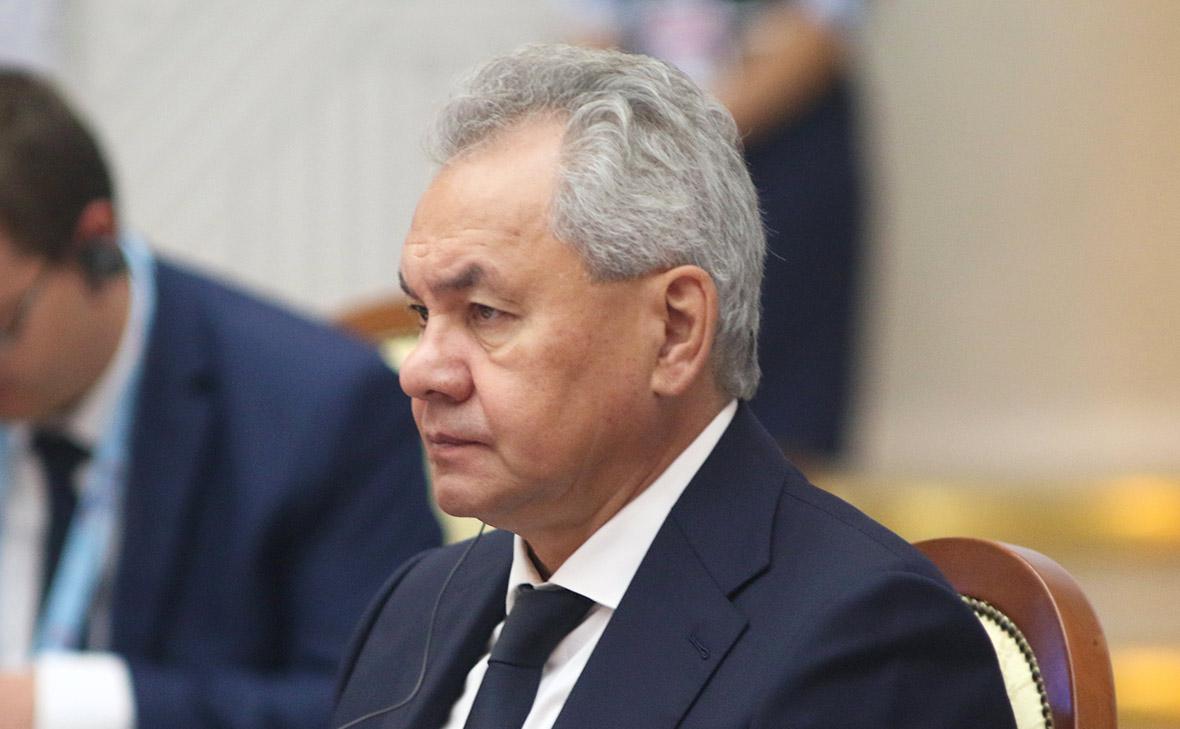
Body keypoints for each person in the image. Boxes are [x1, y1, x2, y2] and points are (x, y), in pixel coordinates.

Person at [332, 44, 1014, 729]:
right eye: (423, 313)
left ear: (674, 330)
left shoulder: (865, 636)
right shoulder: (415, 605)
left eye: (486, 313)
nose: (420, 370)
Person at [0, 69, 442, 729]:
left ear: (94, 244)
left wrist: (72, 708)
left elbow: (377, 707)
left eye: (3, 325)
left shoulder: (323, 409)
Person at [556, 0, 866, 462]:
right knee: (641, 369)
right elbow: (592, 29)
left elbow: (824, 22)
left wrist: (695, 130)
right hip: (644, 144)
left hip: (782, 139)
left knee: (788, 405)